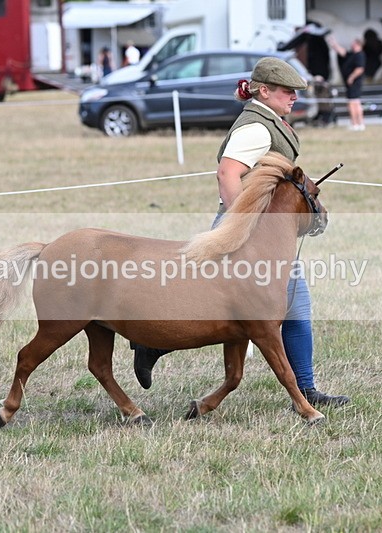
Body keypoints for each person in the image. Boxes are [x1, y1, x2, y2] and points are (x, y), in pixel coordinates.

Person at [131, 57, 351, 408]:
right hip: (245, 231)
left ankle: (153, 343)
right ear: (264, 91)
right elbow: (227, 173)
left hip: (262, 233)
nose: (294, 97)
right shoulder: (256, 129)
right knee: (265, 308)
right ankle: (153, 341)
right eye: (287, 91)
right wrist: (245, 225)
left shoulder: (268, 122)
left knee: (280, 307)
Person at [327, 35, 366, 131]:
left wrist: (351, 77)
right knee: (353, 102)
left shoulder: (359, 55)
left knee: (353, 103)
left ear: (357, 44)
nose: (351, 45)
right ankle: (357, 123)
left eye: (353, 43)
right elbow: (342, 52)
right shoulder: (352, 55)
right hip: (350, 83)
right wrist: (334, 44)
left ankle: (357, 123)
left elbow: (360, 69)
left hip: (354, 83)